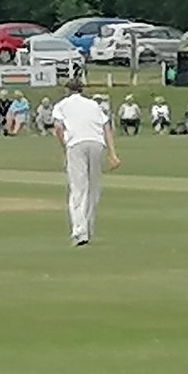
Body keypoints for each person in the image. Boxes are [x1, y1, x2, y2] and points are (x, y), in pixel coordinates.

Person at [52, 76, 121, 247]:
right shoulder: (93, 104)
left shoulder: (62, 105)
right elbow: (106, 127)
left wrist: (64, 147)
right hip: (97, 144)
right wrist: (112, 154)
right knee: (93, 188)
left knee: (78, 189)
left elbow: (58, 128)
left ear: (67, 90)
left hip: (76, 144)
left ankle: (79, 231)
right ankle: (87, 229)